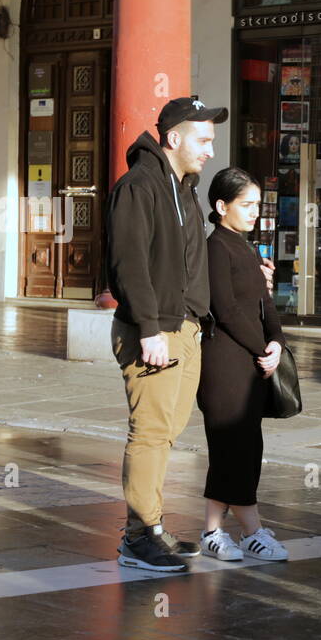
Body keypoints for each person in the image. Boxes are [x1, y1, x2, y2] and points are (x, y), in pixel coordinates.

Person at [105, 96, 226, 573]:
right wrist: (150, 329)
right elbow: (129, 262)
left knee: (168, 433)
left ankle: (151, 527)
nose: (209, 150)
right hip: (154, 330)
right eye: (203, 140)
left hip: (186, 327)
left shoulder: (183, 189)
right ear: (173, 139)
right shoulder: (140, 186)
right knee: (151, 434)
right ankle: (138, 537)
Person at [196, 167, 290, 562]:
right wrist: (261, 348)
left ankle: (214, 532)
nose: (255, 213)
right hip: (224, 366)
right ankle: (249, 529)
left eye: (257, 205)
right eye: (246, 205)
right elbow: (227, 309)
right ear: (221, 207)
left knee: (246, 449)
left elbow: (263, 303)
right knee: (231, 449)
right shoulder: (216, 246)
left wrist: (277, 343)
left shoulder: (247, 248)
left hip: (252, 365)